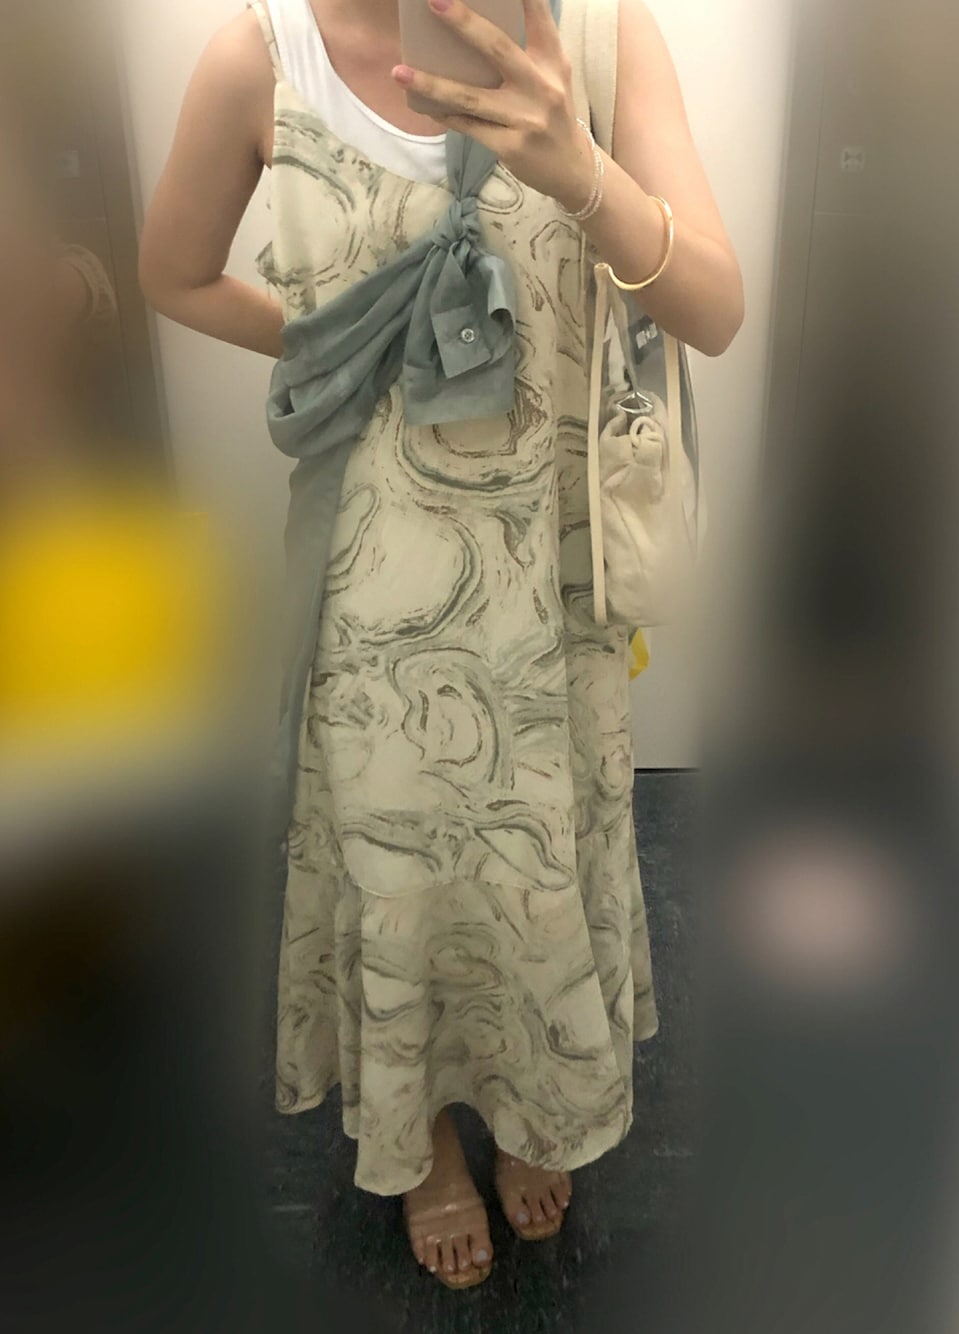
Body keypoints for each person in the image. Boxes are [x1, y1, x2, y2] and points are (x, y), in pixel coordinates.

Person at [139, 0, 742, 1292]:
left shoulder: (598, 35)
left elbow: (716, 307)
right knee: (401, 873)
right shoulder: (262, 56)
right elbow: (172, 273)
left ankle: (533, 1107)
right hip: (377, 588)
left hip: (552, 586)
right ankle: (420, 1147)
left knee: (535, 865)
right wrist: (350, 336)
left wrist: (581, 171)